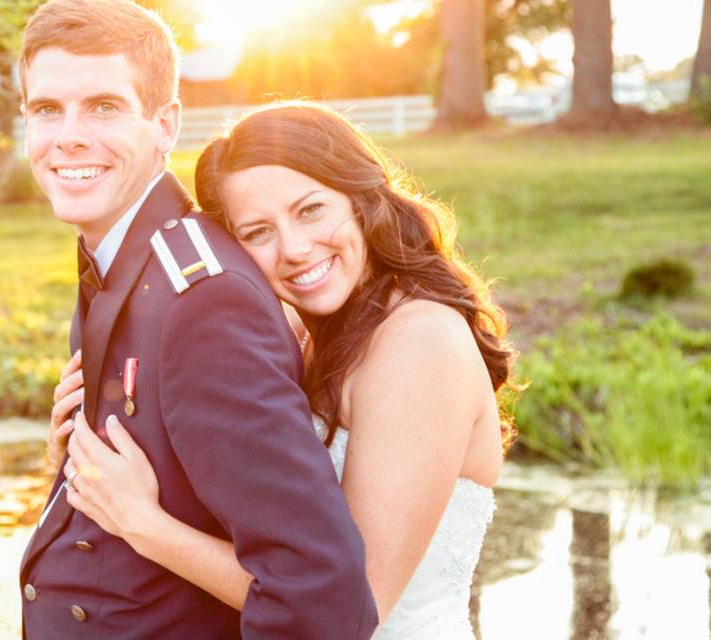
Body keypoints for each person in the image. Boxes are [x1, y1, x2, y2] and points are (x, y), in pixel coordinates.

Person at [51, 102, 519, 639]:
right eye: (257, 232)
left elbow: (356, 603)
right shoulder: (308, 338)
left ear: (363, 198)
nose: (295, 249)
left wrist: (147, 526)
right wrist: (78, 448)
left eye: (311, 210)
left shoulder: (419, 340)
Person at [18, 1, 378, 639]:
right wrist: (69, 464)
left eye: (103, 106)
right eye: (47, 109)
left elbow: (320, 599)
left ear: (165, 125)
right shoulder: (119, 261)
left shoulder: (202, 300)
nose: (68, 135)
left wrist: (141, 522)